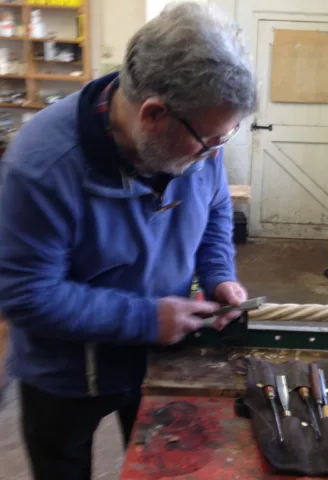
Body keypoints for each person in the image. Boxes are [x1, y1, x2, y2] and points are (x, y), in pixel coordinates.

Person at [0, 2, 257, 479]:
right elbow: (25, 294)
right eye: (210, 142)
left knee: (161, 468)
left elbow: (217, 209)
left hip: (162, 356)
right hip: (63, 378)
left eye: (227, 138)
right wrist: (147, 317)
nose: (215, 154)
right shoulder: (42, 164)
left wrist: (219, 273)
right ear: (154, 114)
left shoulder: (201, 134)